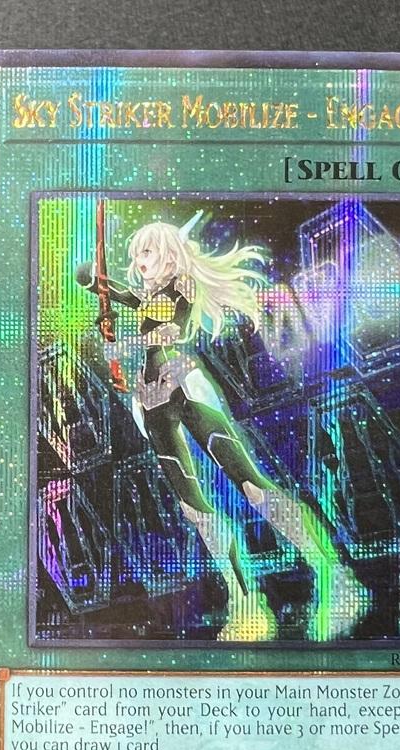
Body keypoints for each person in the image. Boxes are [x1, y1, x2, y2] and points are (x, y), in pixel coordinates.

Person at [76, 210, 369, 642]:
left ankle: (335, 578)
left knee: (251, 486)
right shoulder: (150, 296)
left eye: (147, 252)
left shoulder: (181, 286)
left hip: (185, 388)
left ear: (170, 253)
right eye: (136, 254)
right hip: (152, 401)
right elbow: (130, 298)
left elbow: (167, 330)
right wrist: (96, 285)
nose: (139, 261)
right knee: (196, 511)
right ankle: (246, 604)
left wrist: (123, 340)